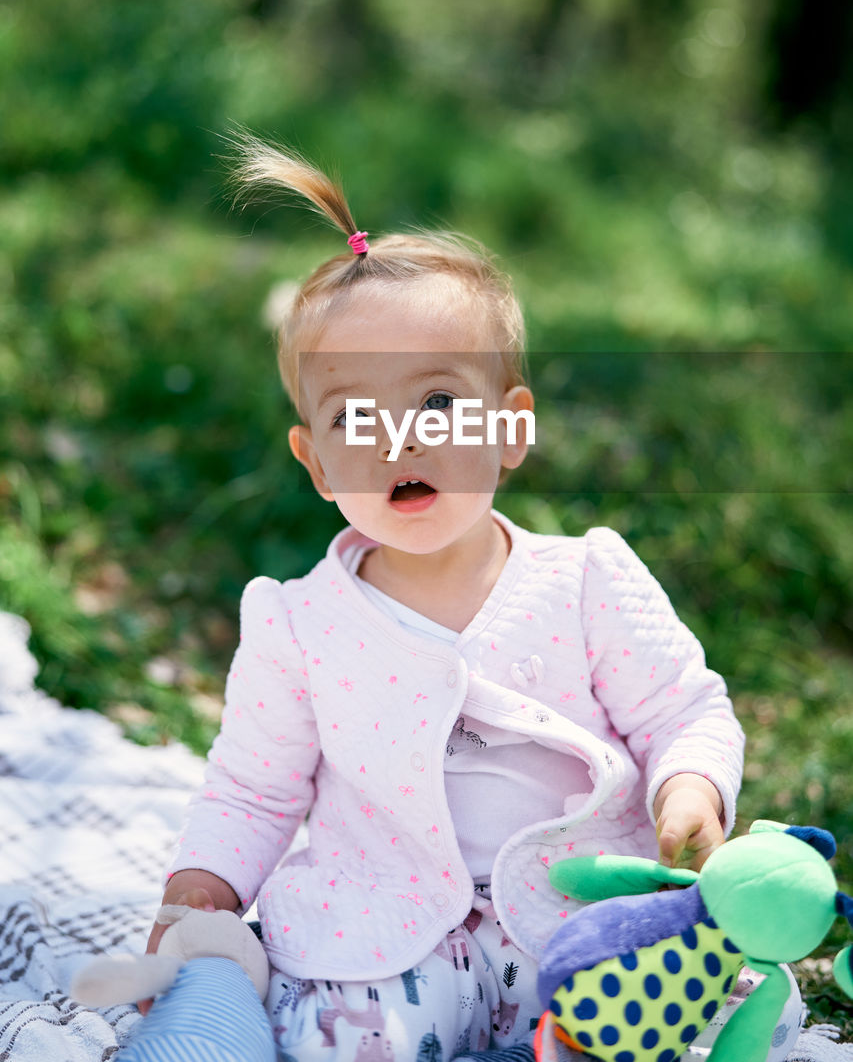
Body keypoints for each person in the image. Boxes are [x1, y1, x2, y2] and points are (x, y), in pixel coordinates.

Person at [137, 136, 795, 1062]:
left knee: (665, 1022)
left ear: (512, 428)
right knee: (344, 1040)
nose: (397, 440)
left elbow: (683, 708)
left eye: (438, 403)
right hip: (386, 931)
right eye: (355, 418)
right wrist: (201, 886)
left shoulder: (584, 579)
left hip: (574, 923)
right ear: (316, 461)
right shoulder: (298, 624)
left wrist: (689, 791)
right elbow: (253, 784)